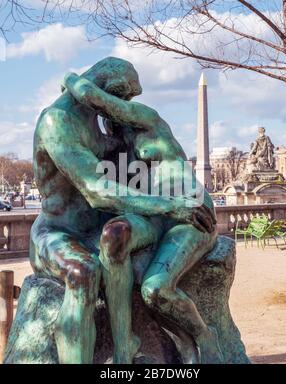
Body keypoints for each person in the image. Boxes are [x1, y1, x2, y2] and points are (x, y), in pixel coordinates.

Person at [30, 57, 209, 364]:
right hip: (59, 232)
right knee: (83, 272)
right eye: (125, 97)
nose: (124, 107)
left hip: (99, 229)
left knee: (116, 247)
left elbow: (130, 178)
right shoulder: (57, 121)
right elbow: (97, 190)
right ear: (113, 90)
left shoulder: (105, 127)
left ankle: (127, 345)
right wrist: (170, 206)